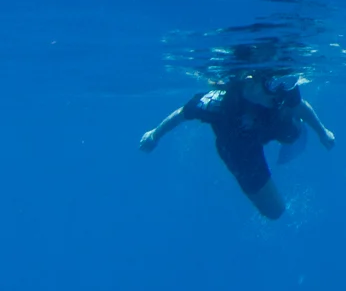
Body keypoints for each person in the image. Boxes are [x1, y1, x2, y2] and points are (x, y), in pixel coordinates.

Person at [140, 73, 335, 219]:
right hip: (238, 147)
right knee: (275, 211)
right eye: (269, 85)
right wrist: (154, 134)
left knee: (292, 130)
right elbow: (182, 113)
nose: (278, 92)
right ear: (250, 82)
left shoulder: (279, 90)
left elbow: (298, 105)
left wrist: (322, 131)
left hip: (268, 125)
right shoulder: (217, 103)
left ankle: (293, 132)